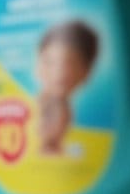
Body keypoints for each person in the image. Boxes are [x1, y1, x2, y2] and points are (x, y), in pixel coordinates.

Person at [36, 20, 98, 155]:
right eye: (49, 62)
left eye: (70, 63)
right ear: (38, 65)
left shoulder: (71, 113)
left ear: (86, 72)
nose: (59, 72)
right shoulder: (35, 106)